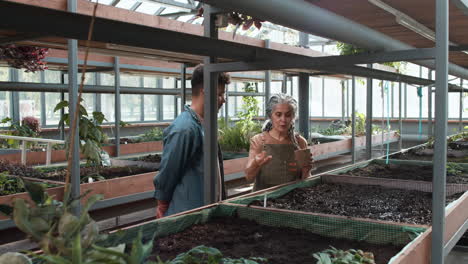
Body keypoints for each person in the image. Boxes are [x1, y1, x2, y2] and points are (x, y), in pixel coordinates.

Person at [153, 64, 230, 218]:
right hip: (188, 214)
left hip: (205, 211)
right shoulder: (185, 128)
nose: (224, 100)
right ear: (206, 91)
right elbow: (169, 171)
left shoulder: (205, 124)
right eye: (220, 94)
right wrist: (162, 205)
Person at [245, 93, 313, 191]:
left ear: (293, 117)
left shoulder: (300, 142)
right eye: (278, 114)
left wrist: (307, 170)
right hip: (263, 200)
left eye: (288, 115)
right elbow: (249, 177)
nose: (283, 120)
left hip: (294, 198)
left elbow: (306, 180)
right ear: (270, 116)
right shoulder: (259, 141)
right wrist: (256, 163)